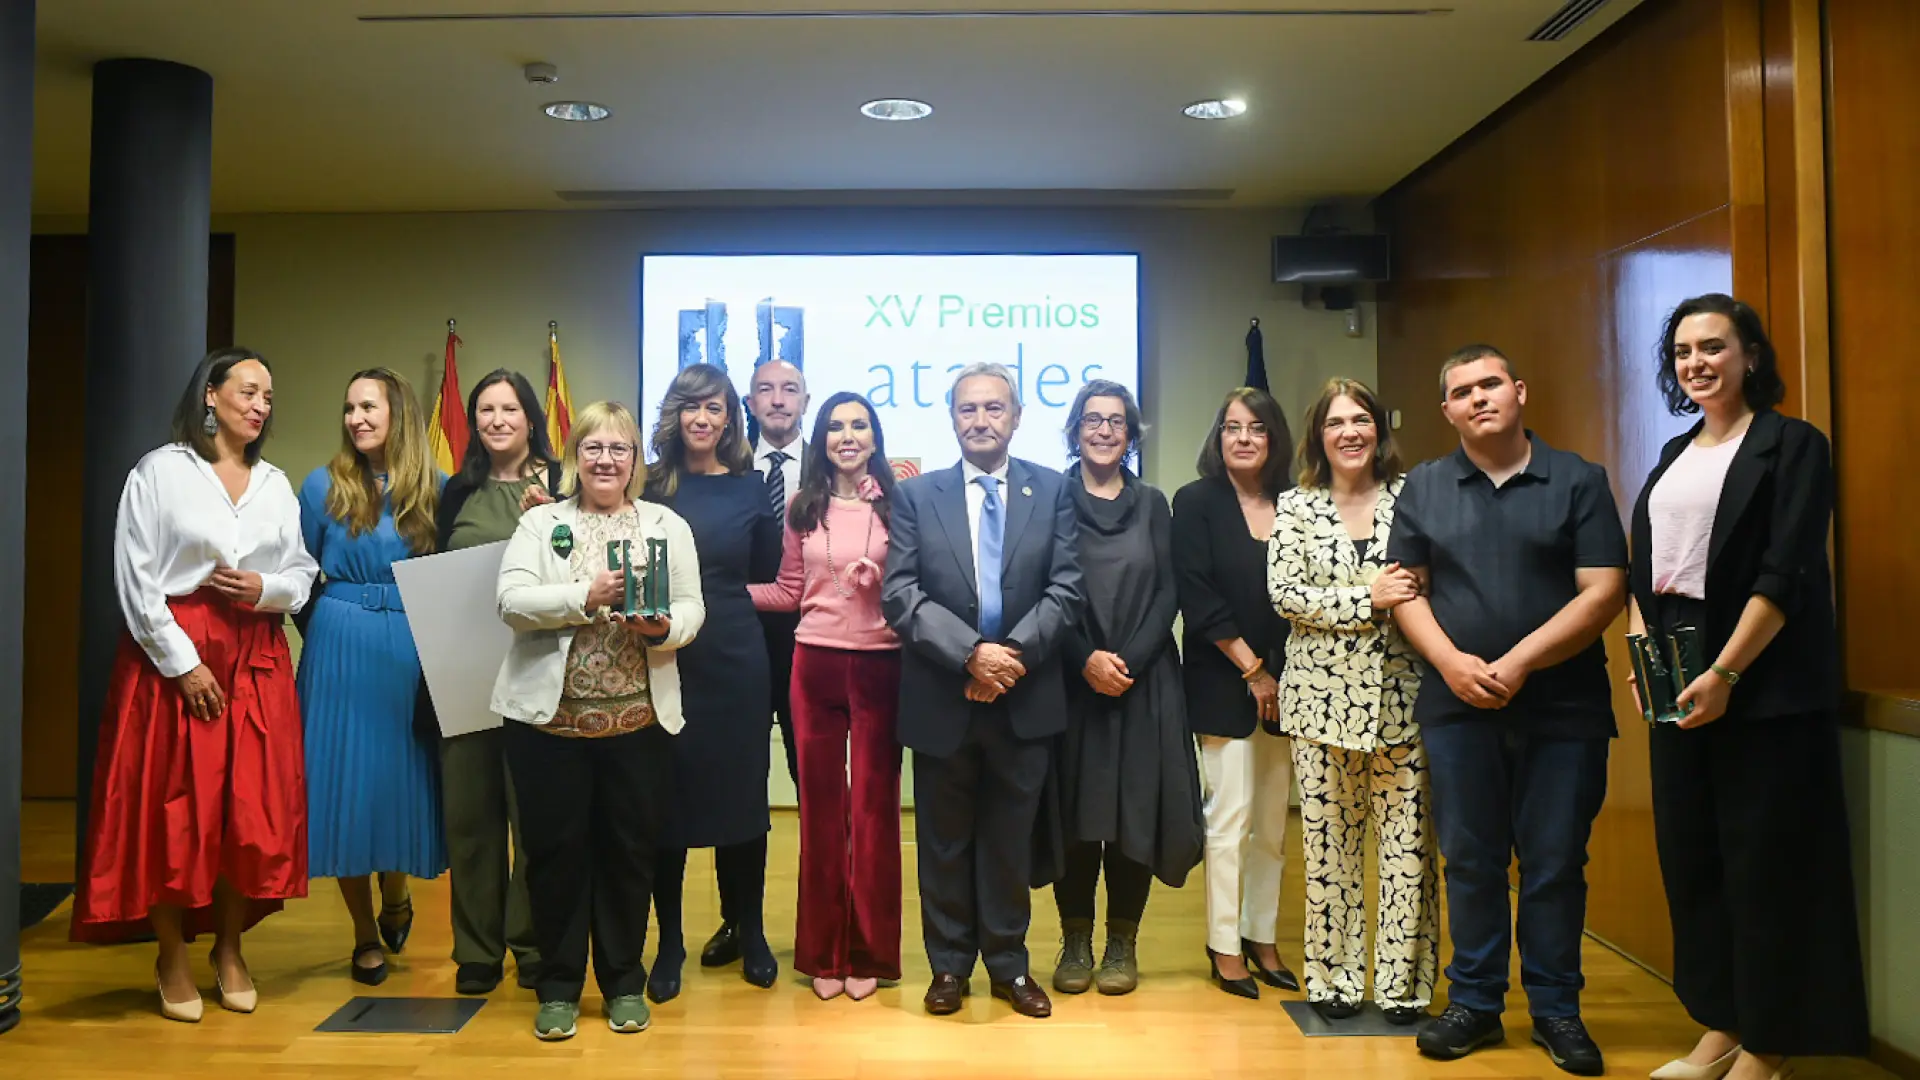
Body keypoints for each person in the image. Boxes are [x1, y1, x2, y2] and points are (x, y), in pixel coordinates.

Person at [1628, 295, 1867, 1080]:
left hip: (1763, 688)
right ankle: (1720, 1026)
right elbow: (1644, 571)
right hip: (1679, 688)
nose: (1696, 362)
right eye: (1684, 351)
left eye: (1713, 347)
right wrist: (1646, 666)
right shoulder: (1671, 455)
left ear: (1751, 357)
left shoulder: (1793, 445)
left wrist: (1727, 670)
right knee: (1694, 862)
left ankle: (1768, 1043)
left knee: (1766, 869)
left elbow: (1787, 569)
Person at [1388, 345, 1627, 1074]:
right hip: (1457, 707)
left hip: (1565, 709)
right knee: (1472, 860)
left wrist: (1520, 662)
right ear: (1447, 411)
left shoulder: (1578, 481)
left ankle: (1557, 1010)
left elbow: (1604, 590)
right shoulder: (1424, 487)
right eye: (1462, 391)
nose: (1478, 398)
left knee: (1555, 862)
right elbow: (1405, 591)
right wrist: (1452, 663)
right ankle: (1476, 1004)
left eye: (1490, 384)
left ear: (1519, 391)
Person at [72, 348, 319, 1022]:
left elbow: (301, 570)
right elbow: (137, 578)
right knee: (176, 810)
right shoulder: (159, 473)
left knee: (250, 813)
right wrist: (182, 664)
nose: (261, 405)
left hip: (256, 654)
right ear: (210, 396)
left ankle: (230, 949)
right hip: (176, 658)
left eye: (269, 395)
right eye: (248, 390)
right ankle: (172, 955)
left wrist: (265, 586)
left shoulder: (274, 483)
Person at [492, 401, 705, 1040]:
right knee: (554, 857)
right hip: (548, 727)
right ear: (574, 458)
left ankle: (621, 982)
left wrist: (662, 627)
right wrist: (585, 597)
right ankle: (557, 987)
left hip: (638, 726)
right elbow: (510, 601)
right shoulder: (541, 524)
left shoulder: (667, 524)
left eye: (618, 449)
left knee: (628, 857)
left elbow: (693, 607)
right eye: (593, 448)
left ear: (635, 461)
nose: (605, 460)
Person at [882, 362, 1084, 1020]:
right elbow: (901, 593)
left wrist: (1010, 659)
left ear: (1017, 417)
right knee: (942, 842)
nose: (981, 420)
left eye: (994, 408)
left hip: (1023, 700)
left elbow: (1066, 589)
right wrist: (970, 656)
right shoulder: (916, 496)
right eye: (968, 409)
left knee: (1008, 841)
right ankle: (948, 967)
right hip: (944, 696)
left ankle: (1007, 964)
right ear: (952, 418)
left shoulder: (1052, 491)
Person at [1267, 378, 1435, 1025]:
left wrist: (1388, 595)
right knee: (1330, 851)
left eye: (1361, 419)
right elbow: (1286, 594)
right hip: (1319, 705)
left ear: (1378, 428)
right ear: (1319, 437)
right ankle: (1333, 983)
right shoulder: (1295, 506)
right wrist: (1371, 597)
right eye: (1336, 423)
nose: (1350, 432)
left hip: (1404, 700)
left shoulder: (1413, 499)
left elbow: (1424, 583)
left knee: (1407, 853)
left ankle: (1403, 988)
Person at [1049, 380, 1203, 997]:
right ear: (1075, 429)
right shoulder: (1051, 498)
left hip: (1144, 681)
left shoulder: (1153, 503)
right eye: (1093, 420)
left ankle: (1120, 943)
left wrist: (1127, 662)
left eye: (1116, 421)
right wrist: (1086, 659)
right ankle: (1075, 941)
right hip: (1070, 678)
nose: (1105, 430)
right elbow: (1039, 586)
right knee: (1078, 816)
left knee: (1134, 812)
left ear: (1131, 433)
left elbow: (1170, 590)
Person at [748, 391, 902, 1002]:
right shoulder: (801, 507)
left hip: (881, 666)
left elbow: (921, 582)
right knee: (819, 811)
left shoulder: (899, 505)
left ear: (874, 437)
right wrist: (724, 595)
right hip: (813, 665)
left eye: (859, 425)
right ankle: (823, 954)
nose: (847, 436)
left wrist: (883, 581)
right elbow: (789, 591)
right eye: (835, 426)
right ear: (821, 439)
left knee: (871, 811)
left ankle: (868, 951)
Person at [296, 368, 447, 985]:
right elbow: (298, 572)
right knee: (343, 789)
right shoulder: (321, 485)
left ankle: (396, 890)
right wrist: (331, 629)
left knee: (399, 782)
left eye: (369, 406)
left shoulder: (436, 485)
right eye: (349, 406)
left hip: (411, 643)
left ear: (398, 414)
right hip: (338, 643)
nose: (356, 417)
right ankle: (364, 934)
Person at [641, 363, 784, 1002]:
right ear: (676, 414)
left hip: (734, 653)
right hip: (663, 657)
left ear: (731, 419)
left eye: (717, 408)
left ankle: (747, 930)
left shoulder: (754, 489)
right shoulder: (647, 487)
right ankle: (668, 941)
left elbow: (769, 573)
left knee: (742, 801)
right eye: (693, 406)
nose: (704, 418)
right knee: (664, 803)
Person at [429, 368, 561, 995]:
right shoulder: (456, 490)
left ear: (531, 418)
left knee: (534, 815)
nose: (498, 420)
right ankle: (476, 949)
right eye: (486, 410)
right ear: (474, 421)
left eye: (510, 408)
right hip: (465, 674)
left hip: (540, 673)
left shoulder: (563, 485)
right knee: (471, 818)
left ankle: (532, 943)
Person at [1171, 386, 1299, 999]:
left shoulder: (1300, 504)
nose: (1242, 438)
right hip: (1225, 683)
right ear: (1216, 437)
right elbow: (1197, 596)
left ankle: (1262, 935)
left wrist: (1278, 676)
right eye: (1231, 427)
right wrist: (1254, 672)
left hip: (1293, 687)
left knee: (1273, 824)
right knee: (1230, 819)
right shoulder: (1195, 502)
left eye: (1256, 429)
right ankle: (1224, 944)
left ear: (1274, 440)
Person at [703, 358, 810, 973]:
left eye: (789, 389)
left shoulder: (829, 468)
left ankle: (825, 917)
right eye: (765, 390)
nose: (777, 399)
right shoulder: (728, 472)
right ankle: (738, 919)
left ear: (804, 399)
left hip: (806, 648)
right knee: (735, 788)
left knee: (812, 787)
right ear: (749, 401)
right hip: (733, 647)